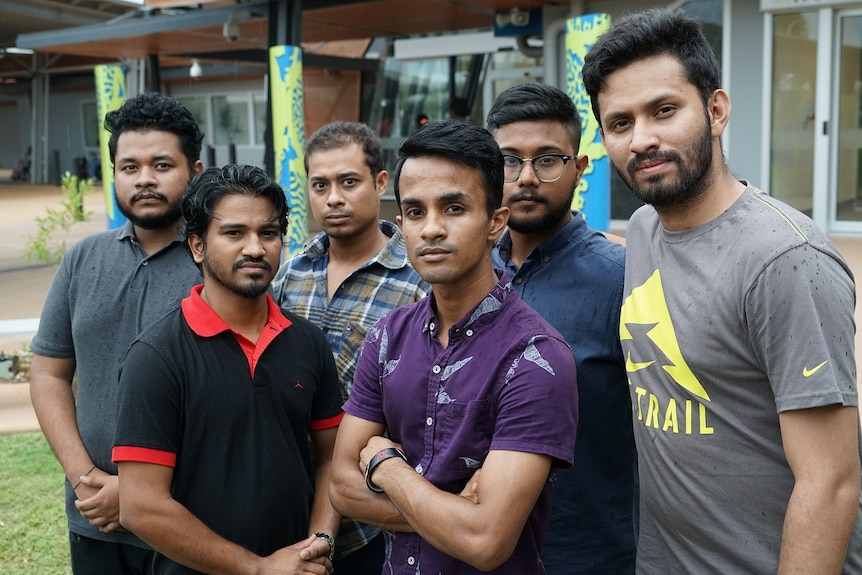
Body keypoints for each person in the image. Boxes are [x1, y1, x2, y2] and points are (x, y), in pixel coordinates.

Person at [582, 8, 862, 574]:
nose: (643, 139)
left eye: (664, 110)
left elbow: (830, 481)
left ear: (715, 110)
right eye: (620, 123)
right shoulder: (640, 232)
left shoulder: (785, 260)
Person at [329, 120, 579, 574]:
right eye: (416, 212)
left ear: (495, 222)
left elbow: (485, 541)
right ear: (400, 222)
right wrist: (450, 512)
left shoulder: (535, 358)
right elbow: (343, 487)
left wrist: (387, 467)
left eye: (454, 208)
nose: (432, 229)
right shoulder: (387, 337)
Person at [112, 164, 344, 575]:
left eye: (268, 233)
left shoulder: (307, 341)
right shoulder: (156, 356)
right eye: (234, 233)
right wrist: (258, 569)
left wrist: (318, 543)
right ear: (198, 246)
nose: (255, 248)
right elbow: (141, 507)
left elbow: (331, 456)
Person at [29, 92, 204, 574]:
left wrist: (136, 493)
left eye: (162, 164)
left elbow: (238, 401)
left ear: (195, 169)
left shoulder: (221, 261)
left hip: (193, 518)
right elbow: (47, 374)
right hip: (94, 519)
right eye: (129, 166)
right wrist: (85, 479)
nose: (144, 178)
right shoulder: (82, 260)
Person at [486, 82, 636, 574]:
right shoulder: (468, 271)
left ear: (580, 168)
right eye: (509, 160)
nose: (526, 177)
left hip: (586, 550)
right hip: (475, 547)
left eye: (547, 159)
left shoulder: (623, 276)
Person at [272, 121, 429, 573]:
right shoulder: (291, 272)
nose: (333, 198)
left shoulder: (417, 279)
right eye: (320, 185)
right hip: (294, 502)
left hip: (379, 516)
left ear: (381, 183)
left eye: (348, 182)